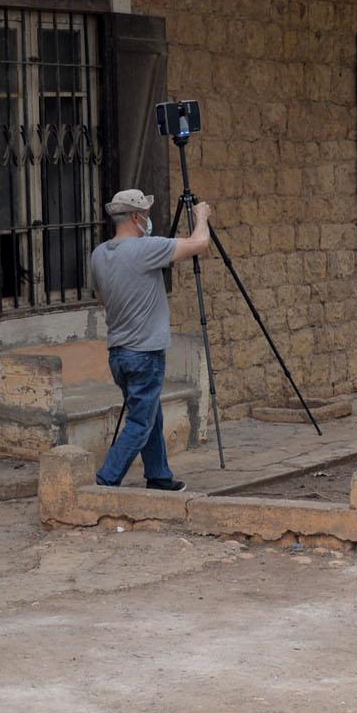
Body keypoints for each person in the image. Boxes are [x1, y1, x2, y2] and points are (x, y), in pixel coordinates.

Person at [91, 188, 213, 490]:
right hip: (145, 352)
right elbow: (200, 244)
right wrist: (202, 217)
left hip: (119, 353)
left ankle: (158, 475)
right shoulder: (145, 249)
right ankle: (104, 483)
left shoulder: (99, 254)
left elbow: (100, 297)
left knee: (150, 413)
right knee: (141, 422)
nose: (148, 220)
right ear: (135, 217)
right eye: (145, 214)